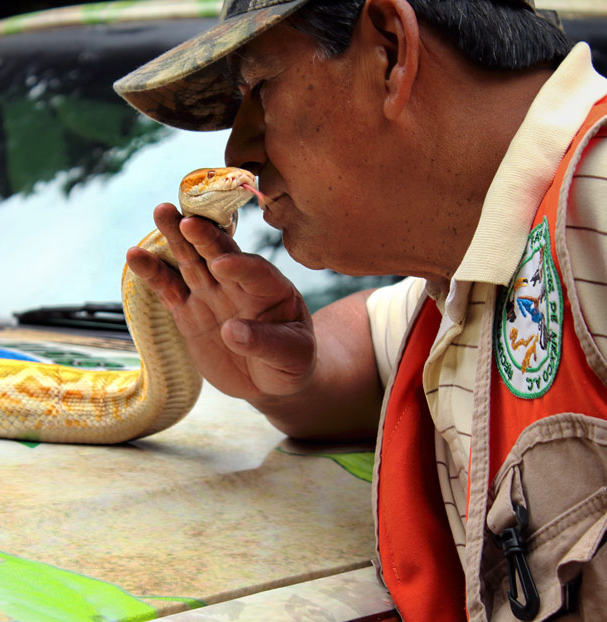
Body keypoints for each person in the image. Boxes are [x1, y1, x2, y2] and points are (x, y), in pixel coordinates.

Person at [114, 0, 607, 620]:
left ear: (390, 51)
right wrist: (283, 368)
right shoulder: (476, 258)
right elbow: (371, 344)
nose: (239, 152)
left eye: (260, 89)